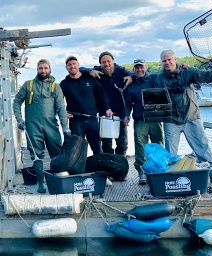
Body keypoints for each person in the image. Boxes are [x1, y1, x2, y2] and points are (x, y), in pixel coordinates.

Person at [154, 49, 212, 187]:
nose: (167, 63)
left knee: (202, 147)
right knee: (170, 152)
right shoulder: (159, 79)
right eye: (164, 61)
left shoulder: (188, 71)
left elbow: (208, 77)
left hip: (191, 117)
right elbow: (158, 100)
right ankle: (171, 177)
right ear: (161, 63)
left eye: (169, 60)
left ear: (175, 59)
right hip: (172, 120)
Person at [13, 59, 70, 193]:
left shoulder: (55, 87)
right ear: (37, 70)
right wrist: (20, 119)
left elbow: (61, 108)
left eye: (45, 68)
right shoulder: (29, 85)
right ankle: (40, 183)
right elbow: (16, 102)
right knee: (36, 155)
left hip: (51, 126)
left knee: (56, 152)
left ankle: (57, 181)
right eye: (40, 68)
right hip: (33, 126)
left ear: (50, 69)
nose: (43, 71)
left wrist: (65, 126)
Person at [80, 51, 132, 156]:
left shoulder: (121, 70)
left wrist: (132, 77)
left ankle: (121, 164)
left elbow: (133, 73)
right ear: (100, 64)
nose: (106, 64)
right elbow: (80, 69)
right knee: (106, 143)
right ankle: (109, 165)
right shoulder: (98, 71)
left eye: (109, 61)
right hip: (104, 112)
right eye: (103, 62)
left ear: (113, 61)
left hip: (121, 112)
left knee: (122, 143)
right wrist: (90, 71)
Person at [60, 56, 113, 155]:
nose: (72, 66)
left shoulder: (90, 79)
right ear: (66, 67)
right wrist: (63, 112)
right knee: (77, 150)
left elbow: (102, 94)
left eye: (74, 64)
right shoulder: (64, 84)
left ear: (78, 65)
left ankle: (98, 168)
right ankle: (79, 170)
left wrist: (107, 108)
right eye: (69, 65)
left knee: (97, 148)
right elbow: (58, 101)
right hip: (75, 121)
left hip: (92, 119)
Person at [124, 59, 164, 184]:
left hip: (155, 118)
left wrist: (181, 66)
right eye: (136, 68)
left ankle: (159, 169)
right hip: (140, 119)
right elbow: (127, 104)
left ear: (146, 68)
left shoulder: (154, 78)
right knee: (140, 145)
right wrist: (126, 115)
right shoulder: (130, 85)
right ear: (133, 69)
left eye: (141, 67)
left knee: (158, 143)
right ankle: (141, 171)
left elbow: (167, 74)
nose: (139, 70)